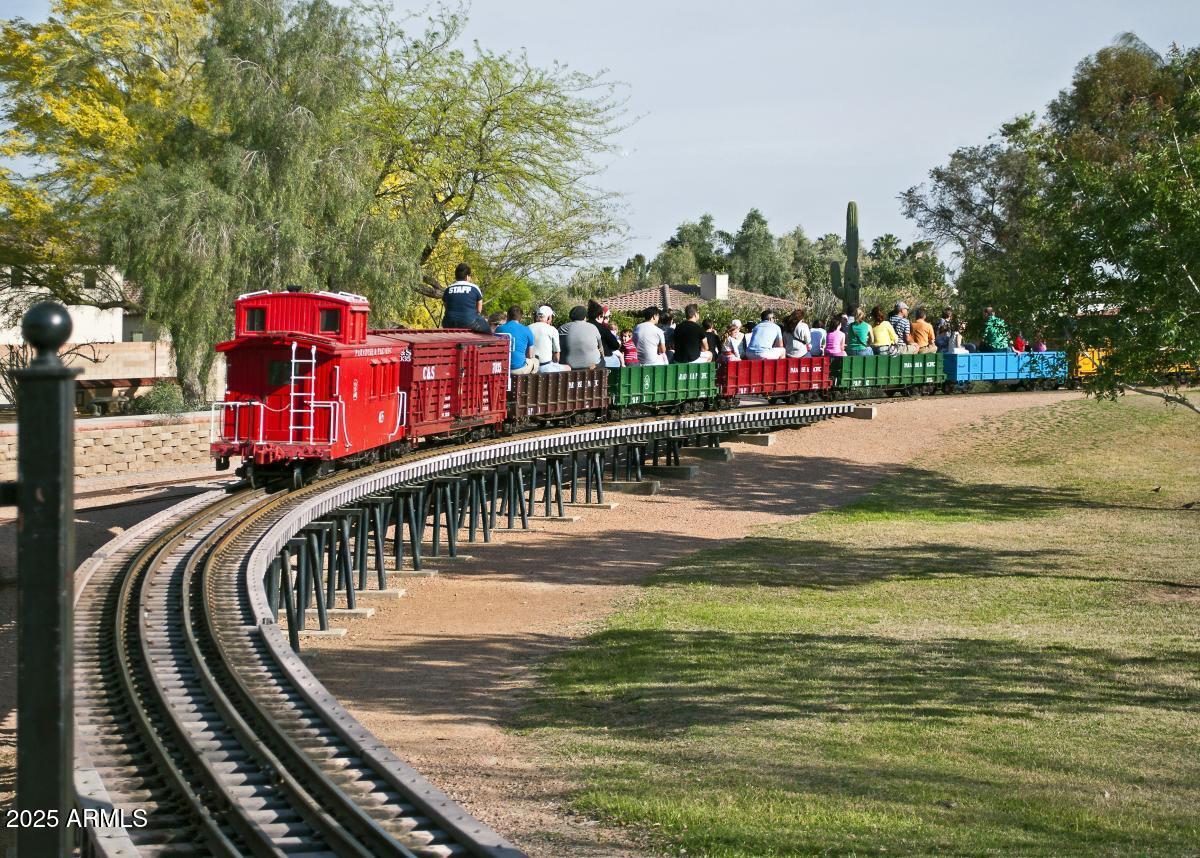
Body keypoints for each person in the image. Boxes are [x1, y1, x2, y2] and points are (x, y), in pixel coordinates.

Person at [441, 263, 491, 333]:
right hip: (469, 322)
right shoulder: (474, 288)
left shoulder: (448, 288)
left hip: (448, 323)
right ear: (467, 276)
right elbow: (479, 309)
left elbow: (446, 306)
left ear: (456, 276)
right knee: (488, 330)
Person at [495, 306, 539, 375]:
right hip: (518, 369)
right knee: (535, 361)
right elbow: (529, 355)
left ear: (508, 316)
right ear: (520, 318)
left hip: (502, 367)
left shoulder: (498, 329)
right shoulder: (527, 330)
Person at [559, 305, 603, 369]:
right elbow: (601, 348)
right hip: (592, 366)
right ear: (585, 317)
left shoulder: (562, 328)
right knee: (602, 360)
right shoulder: (593, 327)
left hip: (568, 366)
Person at [529, 305, 566, 373]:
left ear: (537, 316)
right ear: (549, 318)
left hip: (530, 366)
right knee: (568, 368)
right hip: (545, 366)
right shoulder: (552, 330)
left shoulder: (528, 328)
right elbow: (556, 355)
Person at [588, 300, 623, 367]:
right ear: (599, 316)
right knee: (616, 360)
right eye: (603, 317)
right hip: (600, 359)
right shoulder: (602, 328)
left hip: (585, 358)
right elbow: (615, 345)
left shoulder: (584, 326)